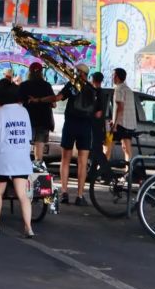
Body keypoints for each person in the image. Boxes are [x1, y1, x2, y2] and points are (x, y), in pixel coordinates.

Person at [33, 63, 97, 206]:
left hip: (70, 125)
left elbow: (57, 98)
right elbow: (97, 112)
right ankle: (80, 196)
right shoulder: (92, 88)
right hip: (85, 127)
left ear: (77, 72)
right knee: (82, 163)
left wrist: (39, 100)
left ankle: (64, 193)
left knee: (65, 160)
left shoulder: (72, 85)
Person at [0, 81, 35, 238]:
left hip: (5, 158)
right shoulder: (24, 111)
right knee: (23, 194)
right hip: (22, 157)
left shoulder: (0, 112)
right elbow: (29, 135)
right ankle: (28, 227)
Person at [19, 62, 55, 168]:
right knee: (39, 146)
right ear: (41, 73)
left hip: (27, 120)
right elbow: (54, 104)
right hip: (44, 120)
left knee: (25, 145)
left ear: (29, 72)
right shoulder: (47, 86)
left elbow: (19, 103)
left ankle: (23, 168)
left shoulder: (24, 85)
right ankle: (38, 167)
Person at [110, 68, 137, 164]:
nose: (112, 77)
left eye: (113, 75)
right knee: (127, 148)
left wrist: (115, 124)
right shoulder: (128, 90)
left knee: (107, 146)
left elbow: (120, 108)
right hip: (129, 124)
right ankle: (128, 171)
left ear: (116, 77)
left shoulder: (118, 89)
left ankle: (102, 169)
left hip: (120, 124)